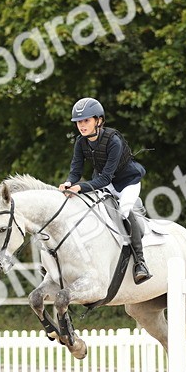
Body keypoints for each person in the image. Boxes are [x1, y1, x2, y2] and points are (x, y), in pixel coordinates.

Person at [57, 97, 151, 284]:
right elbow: (75, 171)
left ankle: (140, 262)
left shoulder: (113, 141)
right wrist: (68, 183)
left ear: (98, 120)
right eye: (78, 122)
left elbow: (106, 177)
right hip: (105, 183)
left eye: (86, 121)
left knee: (123, 212)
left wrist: (80, 187)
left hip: (127, 183)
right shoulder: (80, 142)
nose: (81, 126)